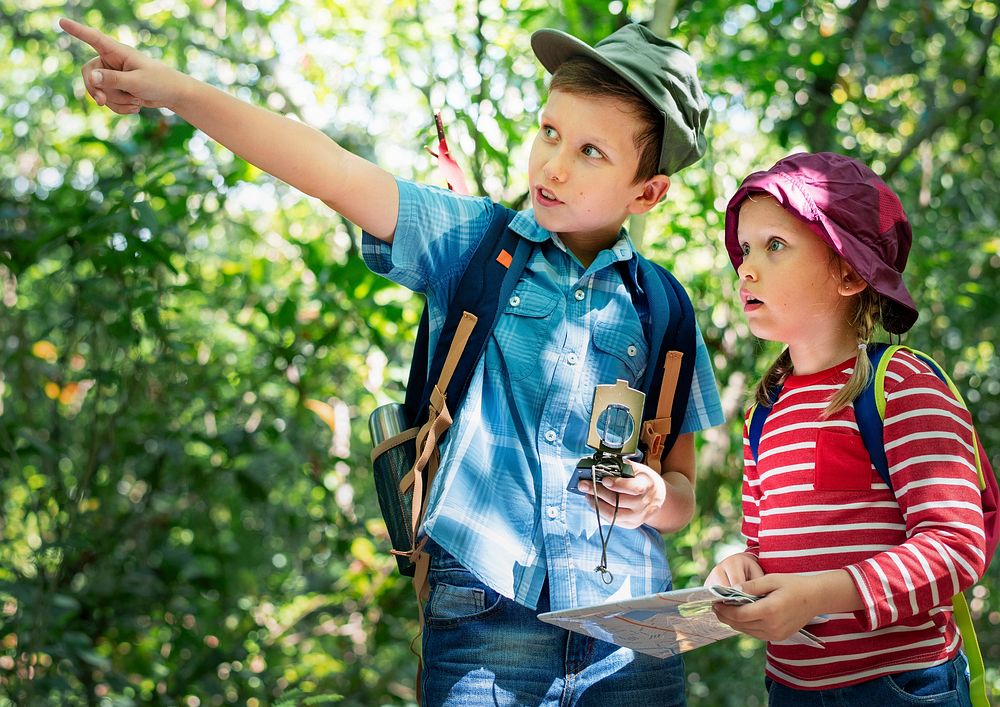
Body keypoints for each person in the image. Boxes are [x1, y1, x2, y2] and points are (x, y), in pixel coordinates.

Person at [60, 17, 725, 705]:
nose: (552, 163)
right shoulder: (475, 242)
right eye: (550, 131)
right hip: (485, 619)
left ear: (647, 193)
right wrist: (176, 90)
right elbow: (331, 170)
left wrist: (654, 497)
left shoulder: (663, 307)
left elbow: (680, 492)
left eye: (591, 151)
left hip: (630, 636)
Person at [707, 152, 986, 706]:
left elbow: (956, 548)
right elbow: (762, 548)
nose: (746, 268)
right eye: (744, 249)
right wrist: (739, 569)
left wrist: (820, 595)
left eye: (774, 246)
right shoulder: (765, 409)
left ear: (850, 271)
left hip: (901, 687)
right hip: (791, 688)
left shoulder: (901, 384)